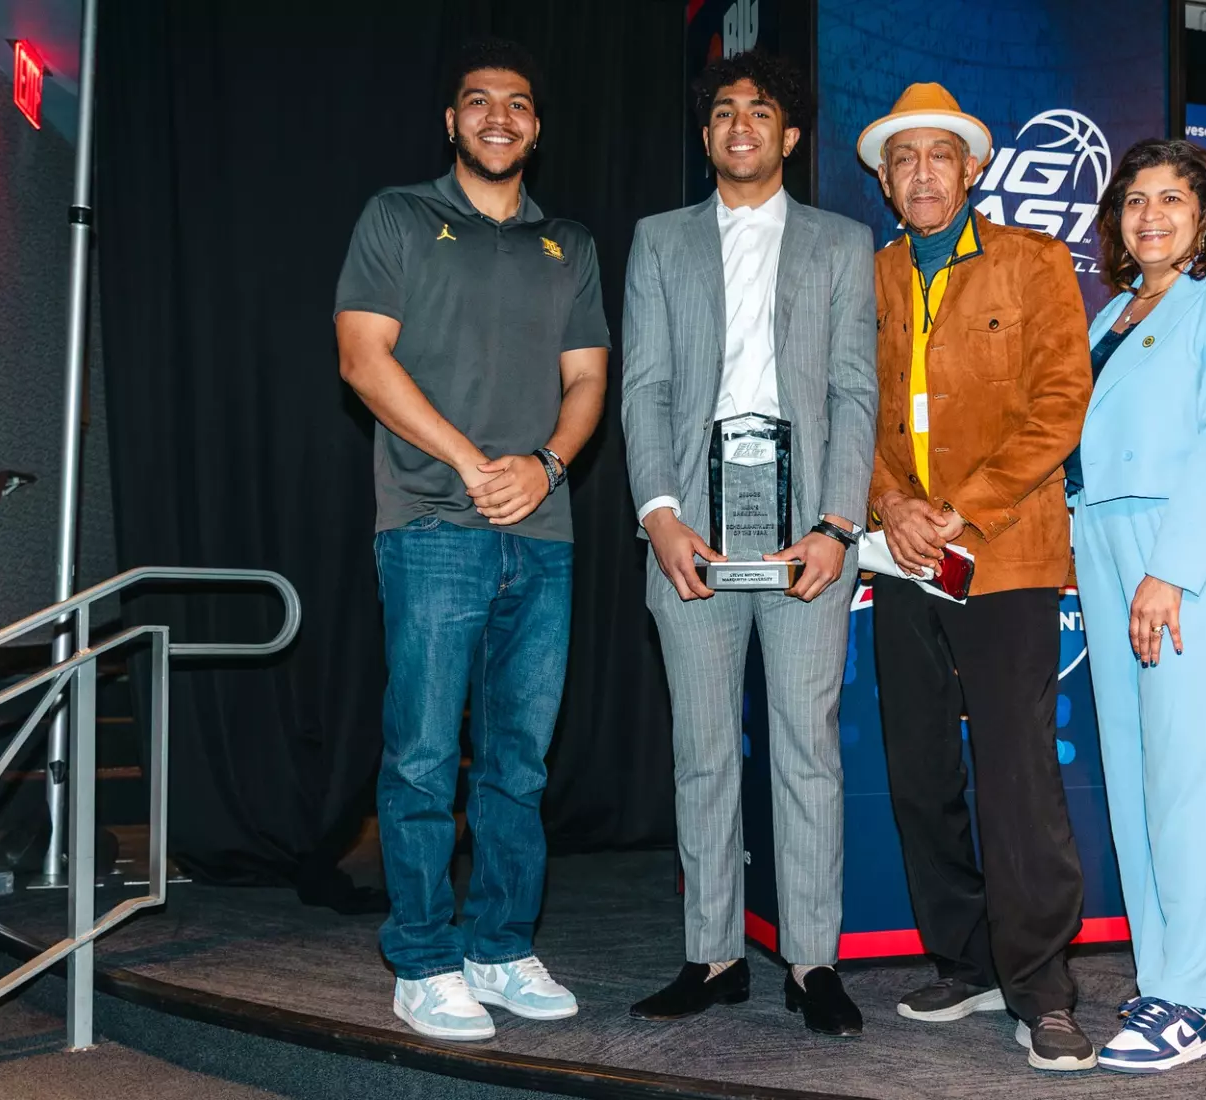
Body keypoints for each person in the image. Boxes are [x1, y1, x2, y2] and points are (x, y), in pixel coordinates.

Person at [335, 38, 609, 1041]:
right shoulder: (398, 216)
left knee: (518, 764)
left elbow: (589, 379)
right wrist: (473, 461)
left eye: (519, 103)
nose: (500, 115)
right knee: (420, 758)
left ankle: (499, 946)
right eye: (479, 101)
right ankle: (422, 959)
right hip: (431, 526)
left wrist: (545, 465)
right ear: (451, 122)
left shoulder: (569, 243)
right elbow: (362, 359)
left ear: (537, 128)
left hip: (543, 534)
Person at [620, 52, 877, 1036]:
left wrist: (838, 523)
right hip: (691, 530)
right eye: (724, 111)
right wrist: (659, 515)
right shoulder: (659, 240)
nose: (740, 125)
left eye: (760, 111)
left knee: (807, 749)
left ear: (791, 136)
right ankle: (715, 954)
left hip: (809, 534)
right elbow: (644, 386)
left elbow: (855, 391)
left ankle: (814, 962)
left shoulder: (841, 242)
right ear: (706, 136)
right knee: (702, 751)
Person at [857, 83, 1096, 1072]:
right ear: (885, 180)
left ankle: (1042, 987)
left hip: (1004, 549)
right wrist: (891, 505)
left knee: (1016, 772)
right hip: (904, 554)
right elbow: (847, 407)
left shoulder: (1034, 263)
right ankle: (966, 959)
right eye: (903, 158)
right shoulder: (869, 275)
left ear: (972, 169)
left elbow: (1062, 401)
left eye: (939, 155)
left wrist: (963, 507)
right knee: (919, 768)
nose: (921, 173)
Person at [1068, 138, 1206, 1073]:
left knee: (1189, 773)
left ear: (1205, 216)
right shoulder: (1110, 315)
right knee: (1136, 770)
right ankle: (1198, 964)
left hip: (1182, 546)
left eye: (1171, 199)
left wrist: (1171, 569)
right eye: (1134, 200)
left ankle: (1185, 1001)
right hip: (1103, 540)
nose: (1150, 216)